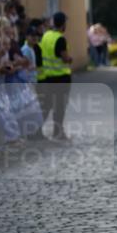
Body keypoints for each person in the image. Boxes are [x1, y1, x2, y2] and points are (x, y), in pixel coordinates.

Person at [39, 11, 73, 141]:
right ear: (63, 24)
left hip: (48, 77)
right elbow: (64, 57)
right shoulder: (60, 38)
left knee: (47, 104)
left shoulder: (46, 35)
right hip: (61, 77)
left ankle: (36, 130)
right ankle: (58, 132)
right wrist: (70, 59)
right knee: (60, 106)